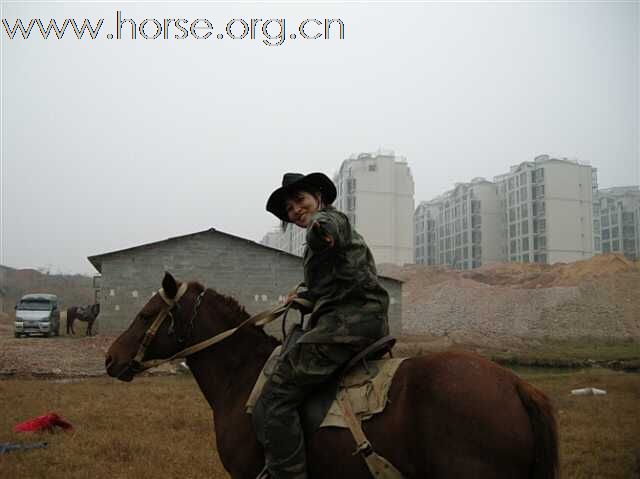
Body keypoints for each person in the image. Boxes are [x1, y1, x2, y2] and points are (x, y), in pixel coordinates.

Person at [252, 172, 390, 479]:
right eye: (289, 209)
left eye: (299, 200)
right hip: (355, 317)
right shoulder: (321, 245)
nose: (295, 211)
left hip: (347, 323)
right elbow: (327, 286)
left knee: (277, 393)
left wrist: (318, 229)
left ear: (318, 196)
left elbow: (325, 227)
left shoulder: (330, 221)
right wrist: (301, 296)